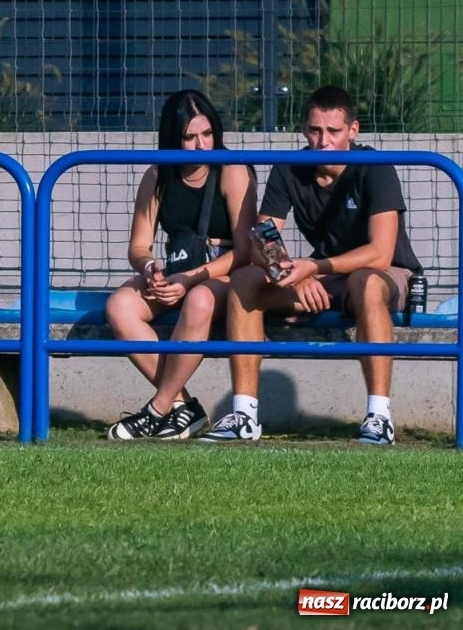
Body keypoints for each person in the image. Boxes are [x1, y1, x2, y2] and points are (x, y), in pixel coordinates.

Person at [201, 86, 422, 446]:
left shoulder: (375, 167)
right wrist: (287, 276)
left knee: (365, 283)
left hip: (381, 275)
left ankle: (379, 417)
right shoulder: (290, 167)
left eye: (334, 132)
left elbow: (381, 253)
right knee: (243, 279)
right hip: (325, 278)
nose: (324, 141)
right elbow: (263, 237)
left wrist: (313, 268)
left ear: (353, 130)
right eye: (316, 131)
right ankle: (244, 414)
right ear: (304, 129)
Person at [103, 90, 255, 440]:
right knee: (120, 305)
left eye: (208, 134)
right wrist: (149, 269)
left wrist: (189, 280)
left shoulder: (232, 170)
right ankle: (183, 407)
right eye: (190, 137)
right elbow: (139, 246)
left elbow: (245, 251)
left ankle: (156, 409)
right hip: (178, 269)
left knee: (200, 298)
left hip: (222, 274)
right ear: (173, 138)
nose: (202, 145)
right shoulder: (158, 174)